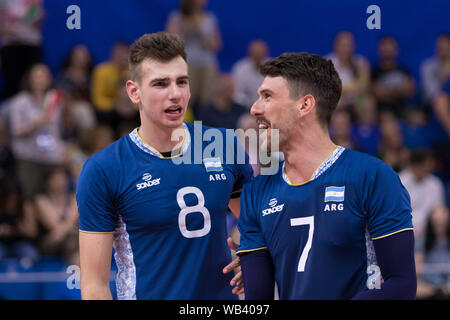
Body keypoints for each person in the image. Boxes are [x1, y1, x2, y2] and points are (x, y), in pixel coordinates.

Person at [76, 32, 253, 300]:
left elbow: (258, 222)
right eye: (161, 84)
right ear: (134, 92)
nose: (175, 94)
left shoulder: (223, 144)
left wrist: (252, 252)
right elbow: (94, 287)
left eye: (182, 82)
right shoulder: (104, 169)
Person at [236, 52, 416, 299]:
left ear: (304, 105)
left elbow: (402, 286)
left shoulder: (372, 177)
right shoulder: (256, 192)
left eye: (267, 96)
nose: (255, 109)